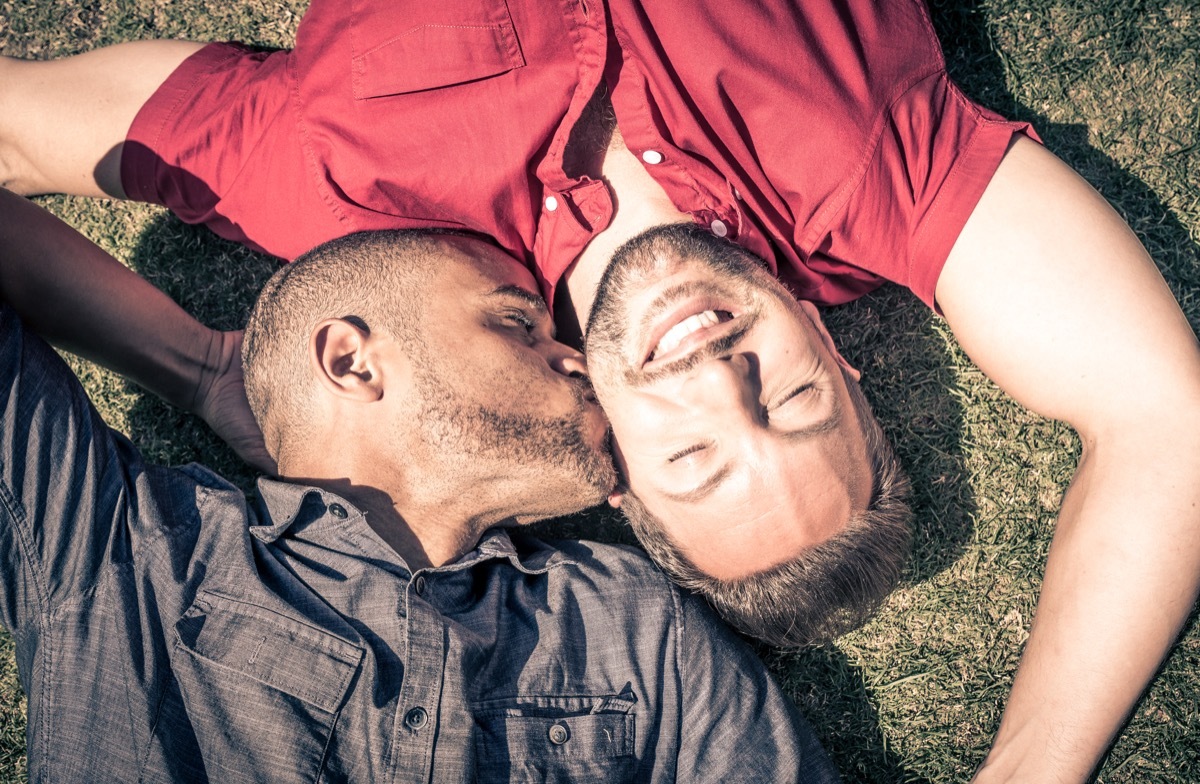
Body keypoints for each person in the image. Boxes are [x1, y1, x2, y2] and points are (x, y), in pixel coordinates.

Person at [2, 1, 1199, 780]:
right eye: (788, 401)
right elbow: (1165, 421)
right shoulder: (877, 166)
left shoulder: (345, 197)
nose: (719, 375)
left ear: (609, 455)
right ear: (843, 356)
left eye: (692, 457)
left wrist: (203, 364)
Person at [0, 188, 839, 782]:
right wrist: (200, 368)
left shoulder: (636, 625)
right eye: (517, 322)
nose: (580, 358)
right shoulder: (124, 553)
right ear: (354, 361)